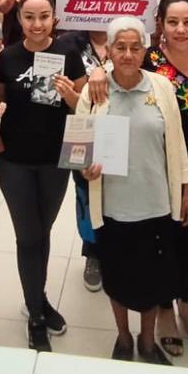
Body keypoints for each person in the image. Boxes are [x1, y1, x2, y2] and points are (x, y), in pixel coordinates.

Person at [76, 17, 188, 365]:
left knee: (154, 279)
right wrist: (85, 167)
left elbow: (177, 143)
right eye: (120, 47)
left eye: (135, 47)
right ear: (109, 51)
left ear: (145, 49)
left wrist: (185, 190)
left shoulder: (162, 88)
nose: (128, 54)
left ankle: (146, 340)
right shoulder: (93, 91)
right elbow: (79, 151)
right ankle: (123, 337)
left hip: (156, 201)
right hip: (113, 204)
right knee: (116, 274)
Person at [0, 0, 87, 350]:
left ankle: (38, 295)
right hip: (14, 160)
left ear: (54, 18)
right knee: (27, 235)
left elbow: (84, 108)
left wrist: (71, 97)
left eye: (44, 16)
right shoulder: (7, 56)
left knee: (43, 231)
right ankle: (35, 314)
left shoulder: (68, 52)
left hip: (55, 159)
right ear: (20, 19)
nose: (37, 24)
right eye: (30, 17)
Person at [143, 0, 188, 357]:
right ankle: (164, 308)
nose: (181, 29)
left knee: (187, 237)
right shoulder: (149, 61)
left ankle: (186, 301)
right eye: (173, 22)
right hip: (161, 167)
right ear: (161, 25)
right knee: (162, 239)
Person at [57, 28, 110, 293]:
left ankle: (116, 253)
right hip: (79, 126)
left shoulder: (129, 33)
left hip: (117, 124)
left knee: (117, 189)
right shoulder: (68, 42)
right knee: (85, 192)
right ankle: (92, 253)